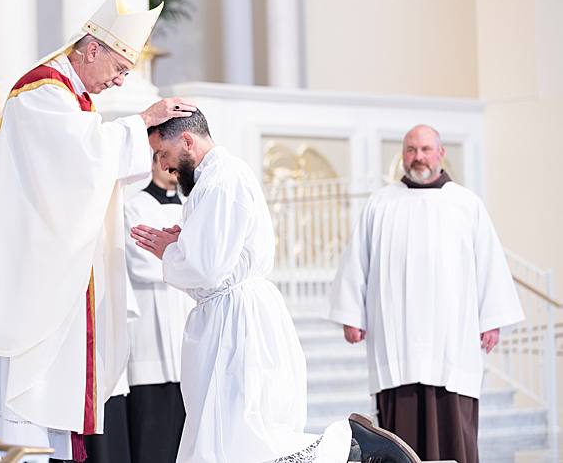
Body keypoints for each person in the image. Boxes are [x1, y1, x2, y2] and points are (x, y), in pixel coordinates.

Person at [0, 0, 195, 461]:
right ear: (92, 48)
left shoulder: (72, 97)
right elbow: (80, 162)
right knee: (29, 412)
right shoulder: (42, 91)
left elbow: (86, 164)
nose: (119, 81)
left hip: (57, 270)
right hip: (34, 275)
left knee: (55, 409)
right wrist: (140, 122)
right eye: (119, 68)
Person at [132, 111, 422, 463]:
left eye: (163, 153)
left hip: (236, 323)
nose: (162, 166)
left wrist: (172, 251)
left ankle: (351, 448)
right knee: (227, 438)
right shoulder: (214, 179)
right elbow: (215, 255)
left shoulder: (221, 180)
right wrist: (186, 242)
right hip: (230, 316)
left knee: (244, 439)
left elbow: (205, 270)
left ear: (188, 142)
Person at [325, 124, 525, 463]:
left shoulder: (466, 204)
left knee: (454, 432)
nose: (418, 158)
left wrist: (493, 320)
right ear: (402, 155)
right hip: (396, 340)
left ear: (440, 153)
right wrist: (351, 315)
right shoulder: (381, 203)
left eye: (425, 149)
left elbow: (489, 264)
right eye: (411, 150)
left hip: (452, 340)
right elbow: (357, 261)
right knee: (398, 436)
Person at [123, 154, 193, 463]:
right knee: (153, 429)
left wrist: (174, 256)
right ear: (153, 163)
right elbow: (140, 263)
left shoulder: (191, 206)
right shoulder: (135, 206)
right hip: (151, 324)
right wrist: (183, 260)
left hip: (185, 316)